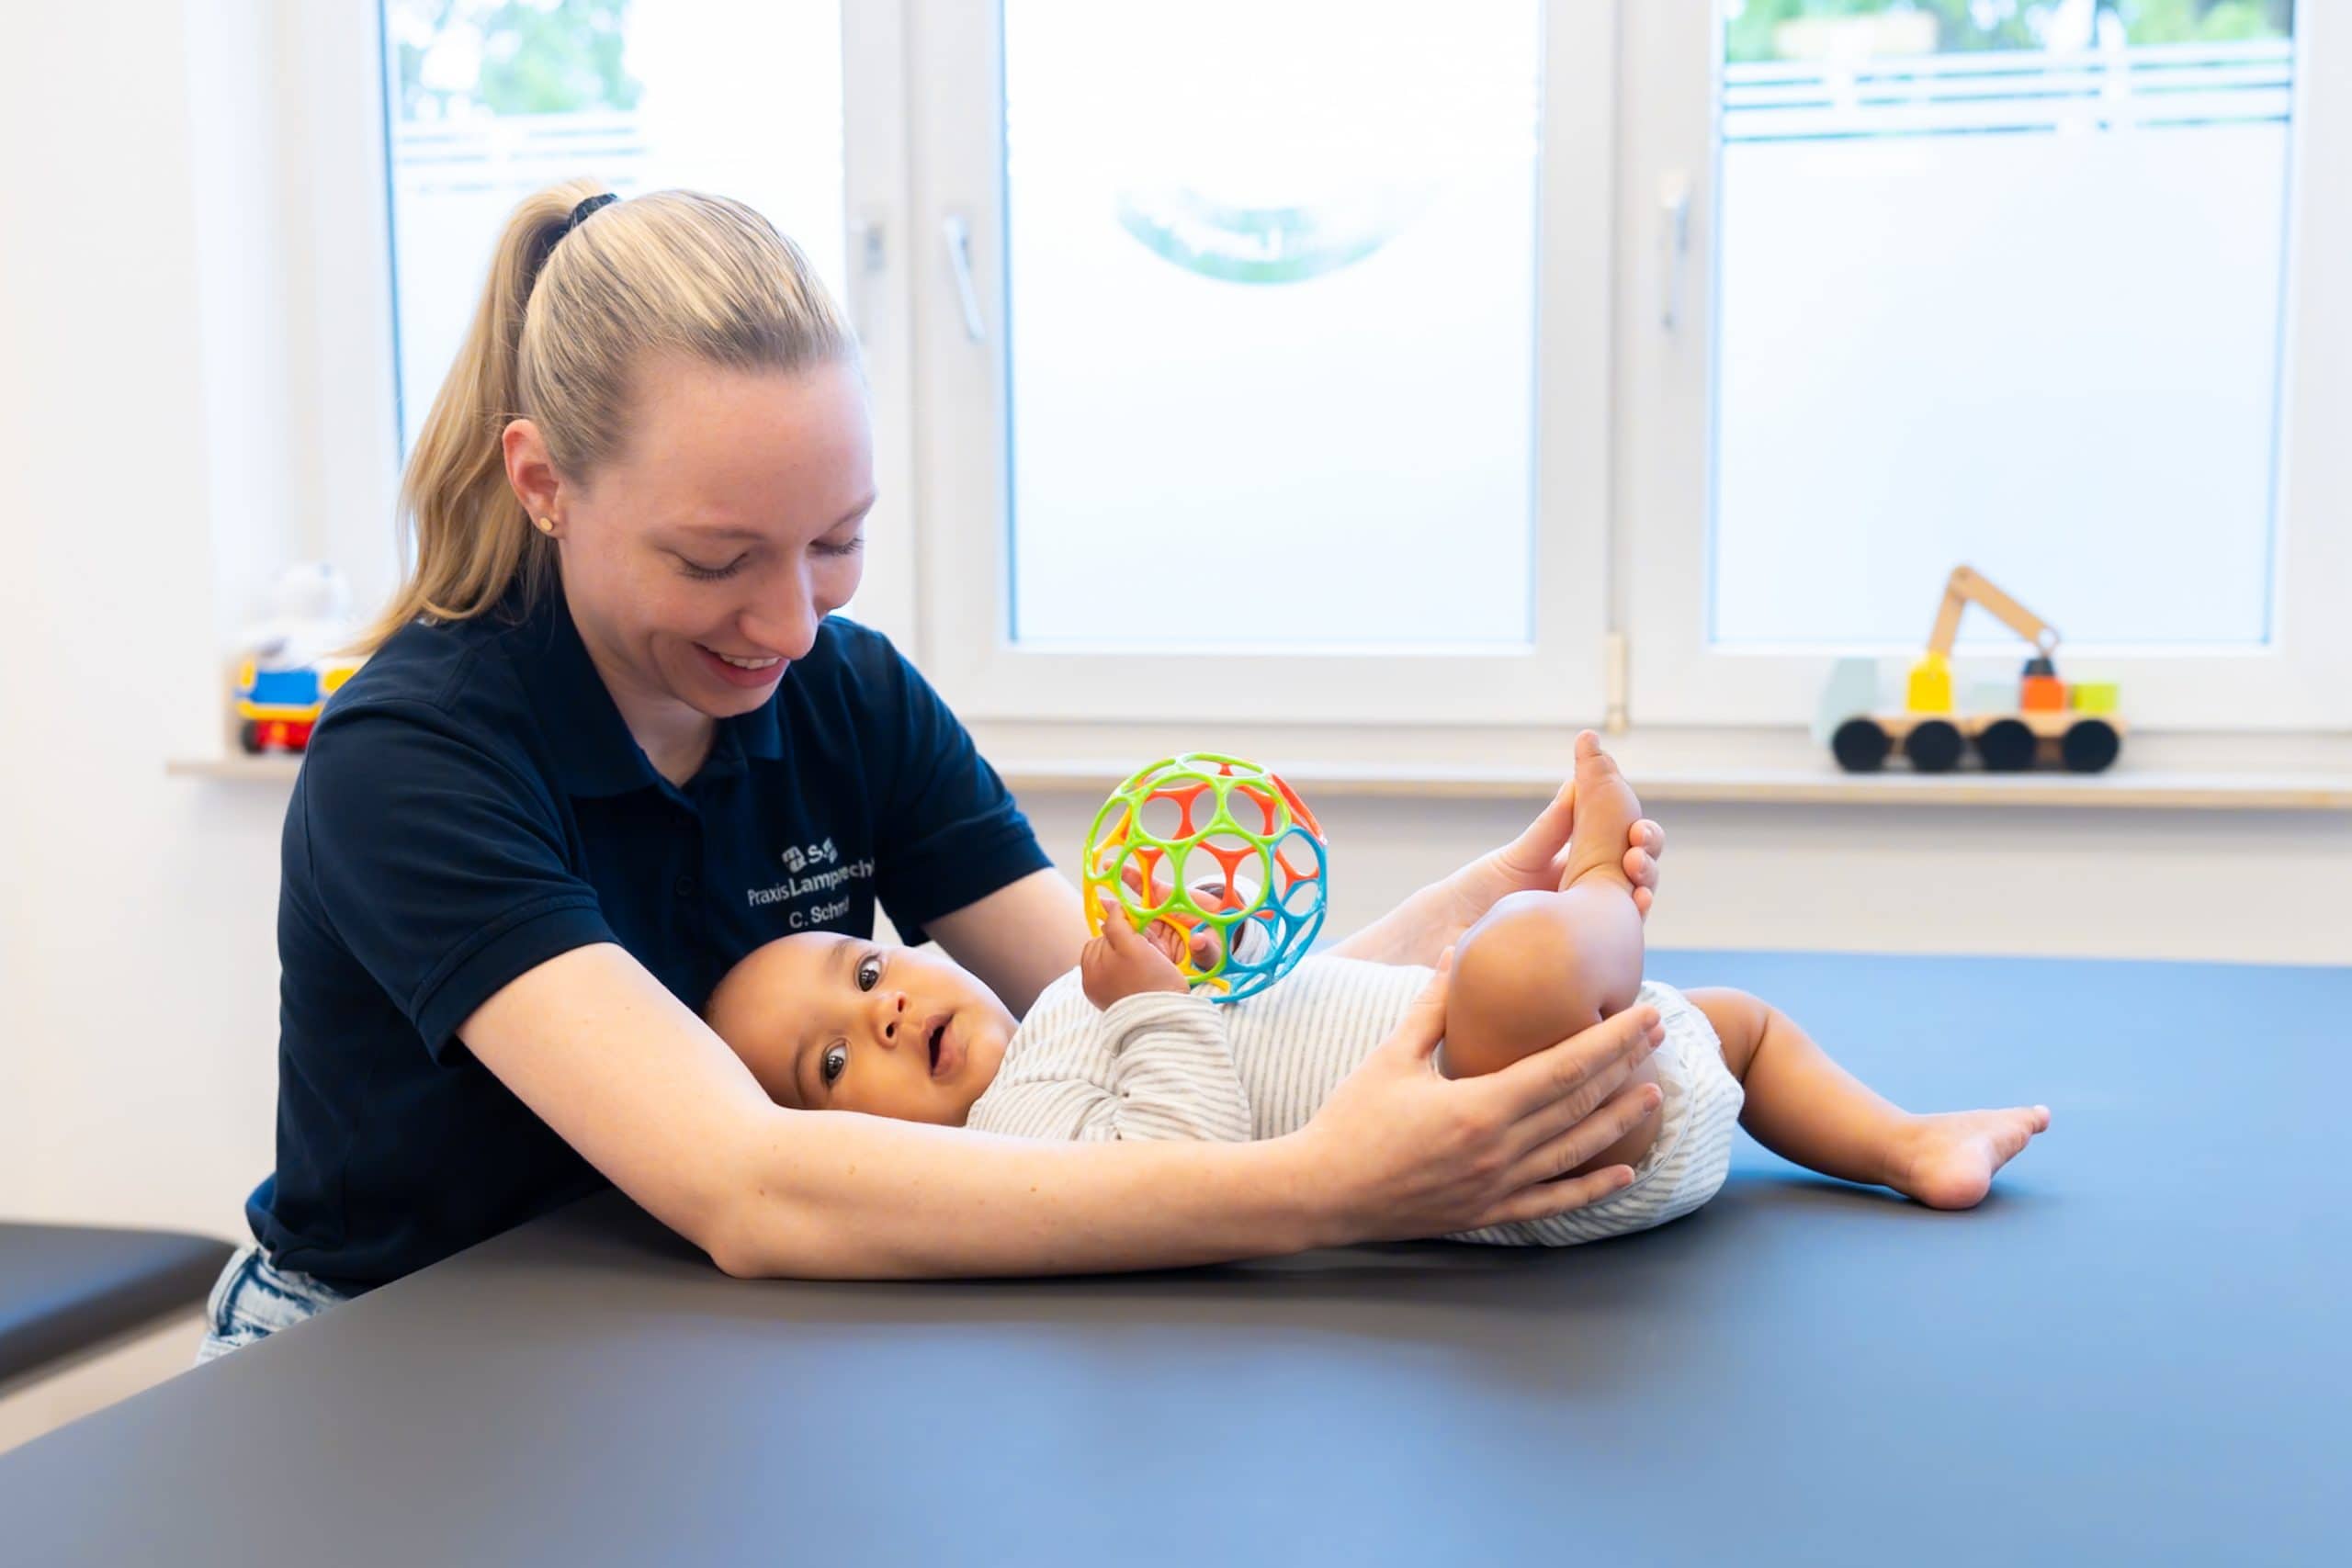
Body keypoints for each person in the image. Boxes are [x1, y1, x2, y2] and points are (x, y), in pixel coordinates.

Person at [199, 183, 1671, 1360]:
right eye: (717, 560)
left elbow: (1124, 1005)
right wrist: (1330, 1189)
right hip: (391, 1360)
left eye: (835, 538)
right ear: (543, 484)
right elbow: (747, 1181)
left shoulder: (846, 694)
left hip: (687, 1325)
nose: (790, 623)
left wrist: (1455, 944)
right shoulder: (416, 763)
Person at [707, 734, 2052, 1238]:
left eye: (865, 967)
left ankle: (1902, 1141)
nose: (876, 1011)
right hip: (1533, 1140)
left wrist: (1169, 993)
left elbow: (1313, 998)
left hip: (1593, 1079)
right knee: (1516, 963)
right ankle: (1591, 894)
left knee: (1739, 1029)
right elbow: (1183, 1159)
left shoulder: (1065, 1007)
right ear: (855, 1155)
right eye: (833, 1064)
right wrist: (1156, 1010)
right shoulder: (1015, 1152)